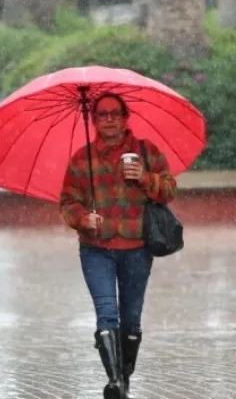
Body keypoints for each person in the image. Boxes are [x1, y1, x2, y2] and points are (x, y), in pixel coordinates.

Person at [60, 93, 176, 399]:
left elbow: (169, 189)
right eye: (102, 114)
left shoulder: (146, 151)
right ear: (94, 120)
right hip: (95, 249)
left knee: (131, 321)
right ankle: (113, 382)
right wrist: (83, 218)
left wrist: (145, 178)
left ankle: (124, 379)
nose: (109, 119)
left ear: (125, 118)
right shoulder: (82, 159)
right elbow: (67, 202)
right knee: (106, 314)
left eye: (115, 114)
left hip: (137, 249)